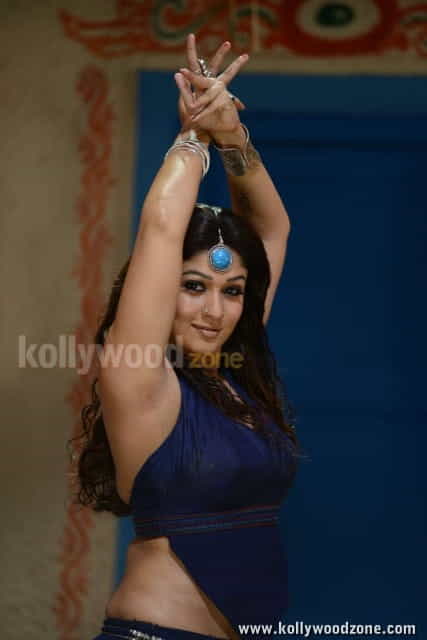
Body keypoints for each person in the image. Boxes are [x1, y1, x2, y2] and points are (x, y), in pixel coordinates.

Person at [70, 33, 302, 640]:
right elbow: (161, 227)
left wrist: (233, 138)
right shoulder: (140, 379)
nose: (214, 310)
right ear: (161, 287)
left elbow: (271, 230)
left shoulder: (231, 373)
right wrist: (195, 133)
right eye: (193, 286)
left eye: (233, 291)